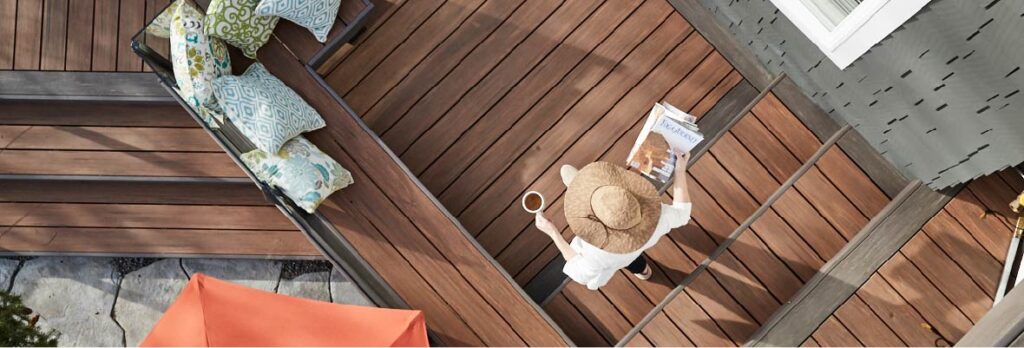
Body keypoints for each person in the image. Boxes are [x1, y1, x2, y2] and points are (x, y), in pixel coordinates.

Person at [534, 150, 692, 290]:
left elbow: (578, 270)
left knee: (629, 258)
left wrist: (553, 233)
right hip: (637, 243)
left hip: (612, 259)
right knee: (631, 255)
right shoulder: (661, 217)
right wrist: (679, 169)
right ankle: (643, 270)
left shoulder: (597, 254)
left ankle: (642, 270)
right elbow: (682, 213)